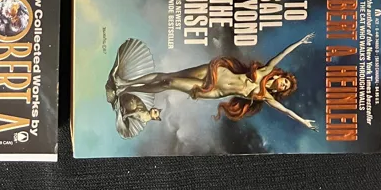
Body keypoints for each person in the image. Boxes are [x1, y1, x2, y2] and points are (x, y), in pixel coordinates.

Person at [108, 34, 317, 131]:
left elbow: (286, 111)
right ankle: (125, 84)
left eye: (285, 88)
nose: (283, 85)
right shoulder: (265, 71)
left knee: (169, 83)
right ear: (280, 77)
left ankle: (125, 87)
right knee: (168, 76)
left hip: (212, 90)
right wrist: (299, 42)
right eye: (285, 82)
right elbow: (282, 54)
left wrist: (304, 122)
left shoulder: (266, 97)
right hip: (216, 71)